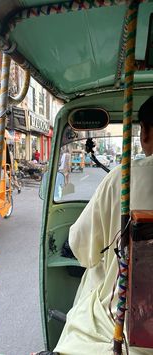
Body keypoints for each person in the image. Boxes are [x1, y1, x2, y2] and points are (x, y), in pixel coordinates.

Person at [32, 96, 153, 355]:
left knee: (96, 273)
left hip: (121, 335)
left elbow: (82, 249)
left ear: (145, 132)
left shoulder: (123, 177)